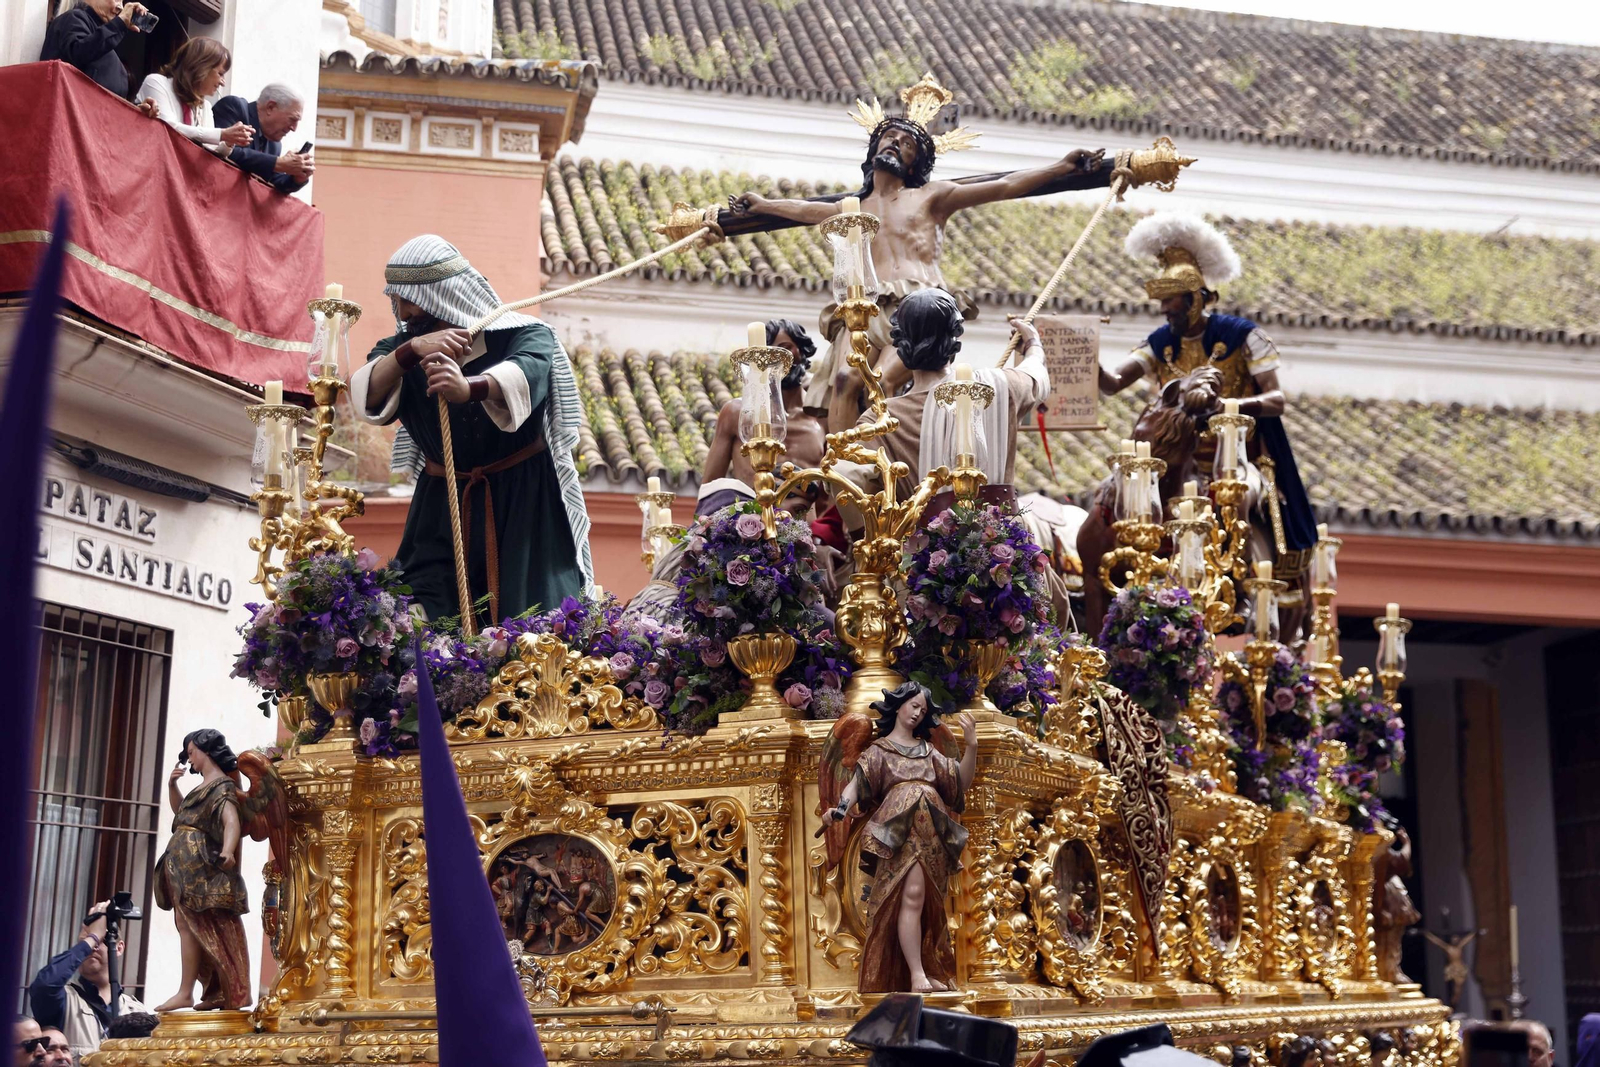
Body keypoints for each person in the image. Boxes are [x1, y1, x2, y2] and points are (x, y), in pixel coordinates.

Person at [731, 73, 1102, 432]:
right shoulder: (851, 209)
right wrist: (764, 204)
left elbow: (1004, 186)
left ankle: (891, 463)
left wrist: (1062, 166)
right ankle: (843, 475)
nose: (895, 144)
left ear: (916, 162)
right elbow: (804, 210)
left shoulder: (932, 196)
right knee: (845, 382)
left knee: (885, 382)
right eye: (889, 138)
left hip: (917, 303)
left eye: (906, 144)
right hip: (866, 306)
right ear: (875, 149)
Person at [351, 235, 592, 623]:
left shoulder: (522, 333)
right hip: (439, 507)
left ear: (441, 294)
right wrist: (412, 351)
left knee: (532, 620)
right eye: (397, 299)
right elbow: (365, 393)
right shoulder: (400, 350)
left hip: (523, 503)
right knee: (418, 615)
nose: (403, 311)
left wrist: (469, 389)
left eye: (410, 298)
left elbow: (526, 370)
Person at [1098, 212, 1317, 594]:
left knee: (1242, 497)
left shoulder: (1242, 335)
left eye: (1172, 301)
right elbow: (1114, 383)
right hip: (1173, 458)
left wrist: (1228, 408)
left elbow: (1277, 398)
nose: (1165, 310)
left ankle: (1241, 581)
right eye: (1162, 302)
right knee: (1112, 495)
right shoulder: (1161, 341)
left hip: (1236, 459)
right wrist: (1081, 352)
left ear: (1196, 298)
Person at [820, 682, 976, 993]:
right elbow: (855, 787)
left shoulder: (930, 752)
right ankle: (915, 973)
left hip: (931, 831)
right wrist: (838, 809)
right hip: (899, 832)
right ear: (899, 705)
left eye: (923, 708)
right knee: (912, 895)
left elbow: (960, 783)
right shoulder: (879, 752)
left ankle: (927, 967)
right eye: (913, 705)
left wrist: (971, 746)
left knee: (931, 903)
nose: (918, 712)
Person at [848, 288, 1049, 503]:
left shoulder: (880, 419)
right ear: (954, 336)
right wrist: (1032, 345)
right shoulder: (1000, 386)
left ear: (899, 341)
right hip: (1004, 534)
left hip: (918, 536)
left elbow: (852, 479)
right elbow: (1037, 375)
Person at [153, 730, 251, 1012]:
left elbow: (231, 820)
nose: (189, 759)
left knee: (198, 926)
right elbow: (182, 814)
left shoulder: (222, 786)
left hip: (201, 867)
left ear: (206, 751)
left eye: (191, 752)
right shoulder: (204, 786)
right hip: (184, 866)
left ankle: (189, 991)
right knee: (186, 926)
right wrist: (172, 787)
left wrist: (229, 850)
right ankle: (208, 989)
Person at [699, 319, 826, 517]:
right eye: (769, 354)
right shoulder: (736, 413)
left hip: (805, 532)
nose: (778, 359)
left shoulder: (820, 420)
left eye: (785, 349)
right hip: (750, 532)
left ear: (802, 351)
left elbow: (829, 495)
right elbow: (710, 488)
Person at [28, 903, 147, 1059]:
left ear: (119, 948)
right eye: (86, 943)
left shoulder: (136, 1009)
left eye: (101, 940)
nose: (93, 947)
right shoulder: (64, 999)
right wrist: (92, 937)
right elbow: (44, 985)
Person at [135, 38, 253, 158]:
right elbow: (168, 128)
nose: (223, 83)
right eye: (220, 74)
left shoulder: (205, 106)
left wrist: (229, 142)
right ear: (201, 67)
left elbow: (210, 151)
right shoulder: (156, 82)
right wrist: (222, 134)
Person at [38, 0, 158, 103]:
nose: (121, 7)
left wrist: (137, 111)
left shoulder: (105, 45)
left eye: (121, 1)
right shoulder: (73, 18)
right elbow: (79, 53)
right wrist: (120, 24)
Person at [212, 85, 313, 193]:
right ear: (270, 107)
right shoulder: (234, 107)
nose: (294, 128)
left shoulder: (274, 145)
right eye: (292, 119)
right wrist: (278, 163)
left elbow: (273, 183)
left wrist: (297, 178)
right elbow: (222, 150)